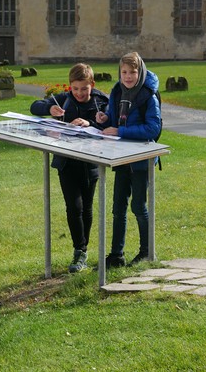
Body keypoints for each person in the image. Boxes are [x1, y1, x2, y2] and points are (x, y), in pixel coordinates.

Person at [30, 63, 109, 273]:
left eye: (84, 88)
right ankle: (79, 250)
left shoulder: (102, 101)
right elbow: (34, 106)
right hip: (66, 162)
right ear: (70, 86)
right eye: (76, 89)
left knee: (87, 207)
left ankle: (84, 248)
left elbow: (110, 121)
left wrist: (92, 123)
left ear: (92, 84)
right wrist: (49, 109)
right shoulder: (63, 99)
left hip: (91, 162)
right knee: (73, 207)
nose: (80, 93)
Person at [95, 52, 161, 268]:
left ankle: (146, 251)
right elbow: (114, 119)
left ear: (140, 72)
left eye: (133, 72)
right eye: (124, 72)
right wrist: (105, 118)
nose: (128, 76)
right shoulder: (116, 91)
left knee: (139, 206)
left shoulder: (148, 96)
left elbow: (153, 128)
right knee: (118, 207)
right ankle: (116, 255)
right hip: (120, 157)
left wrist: (120, 131)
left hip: (141, 160)